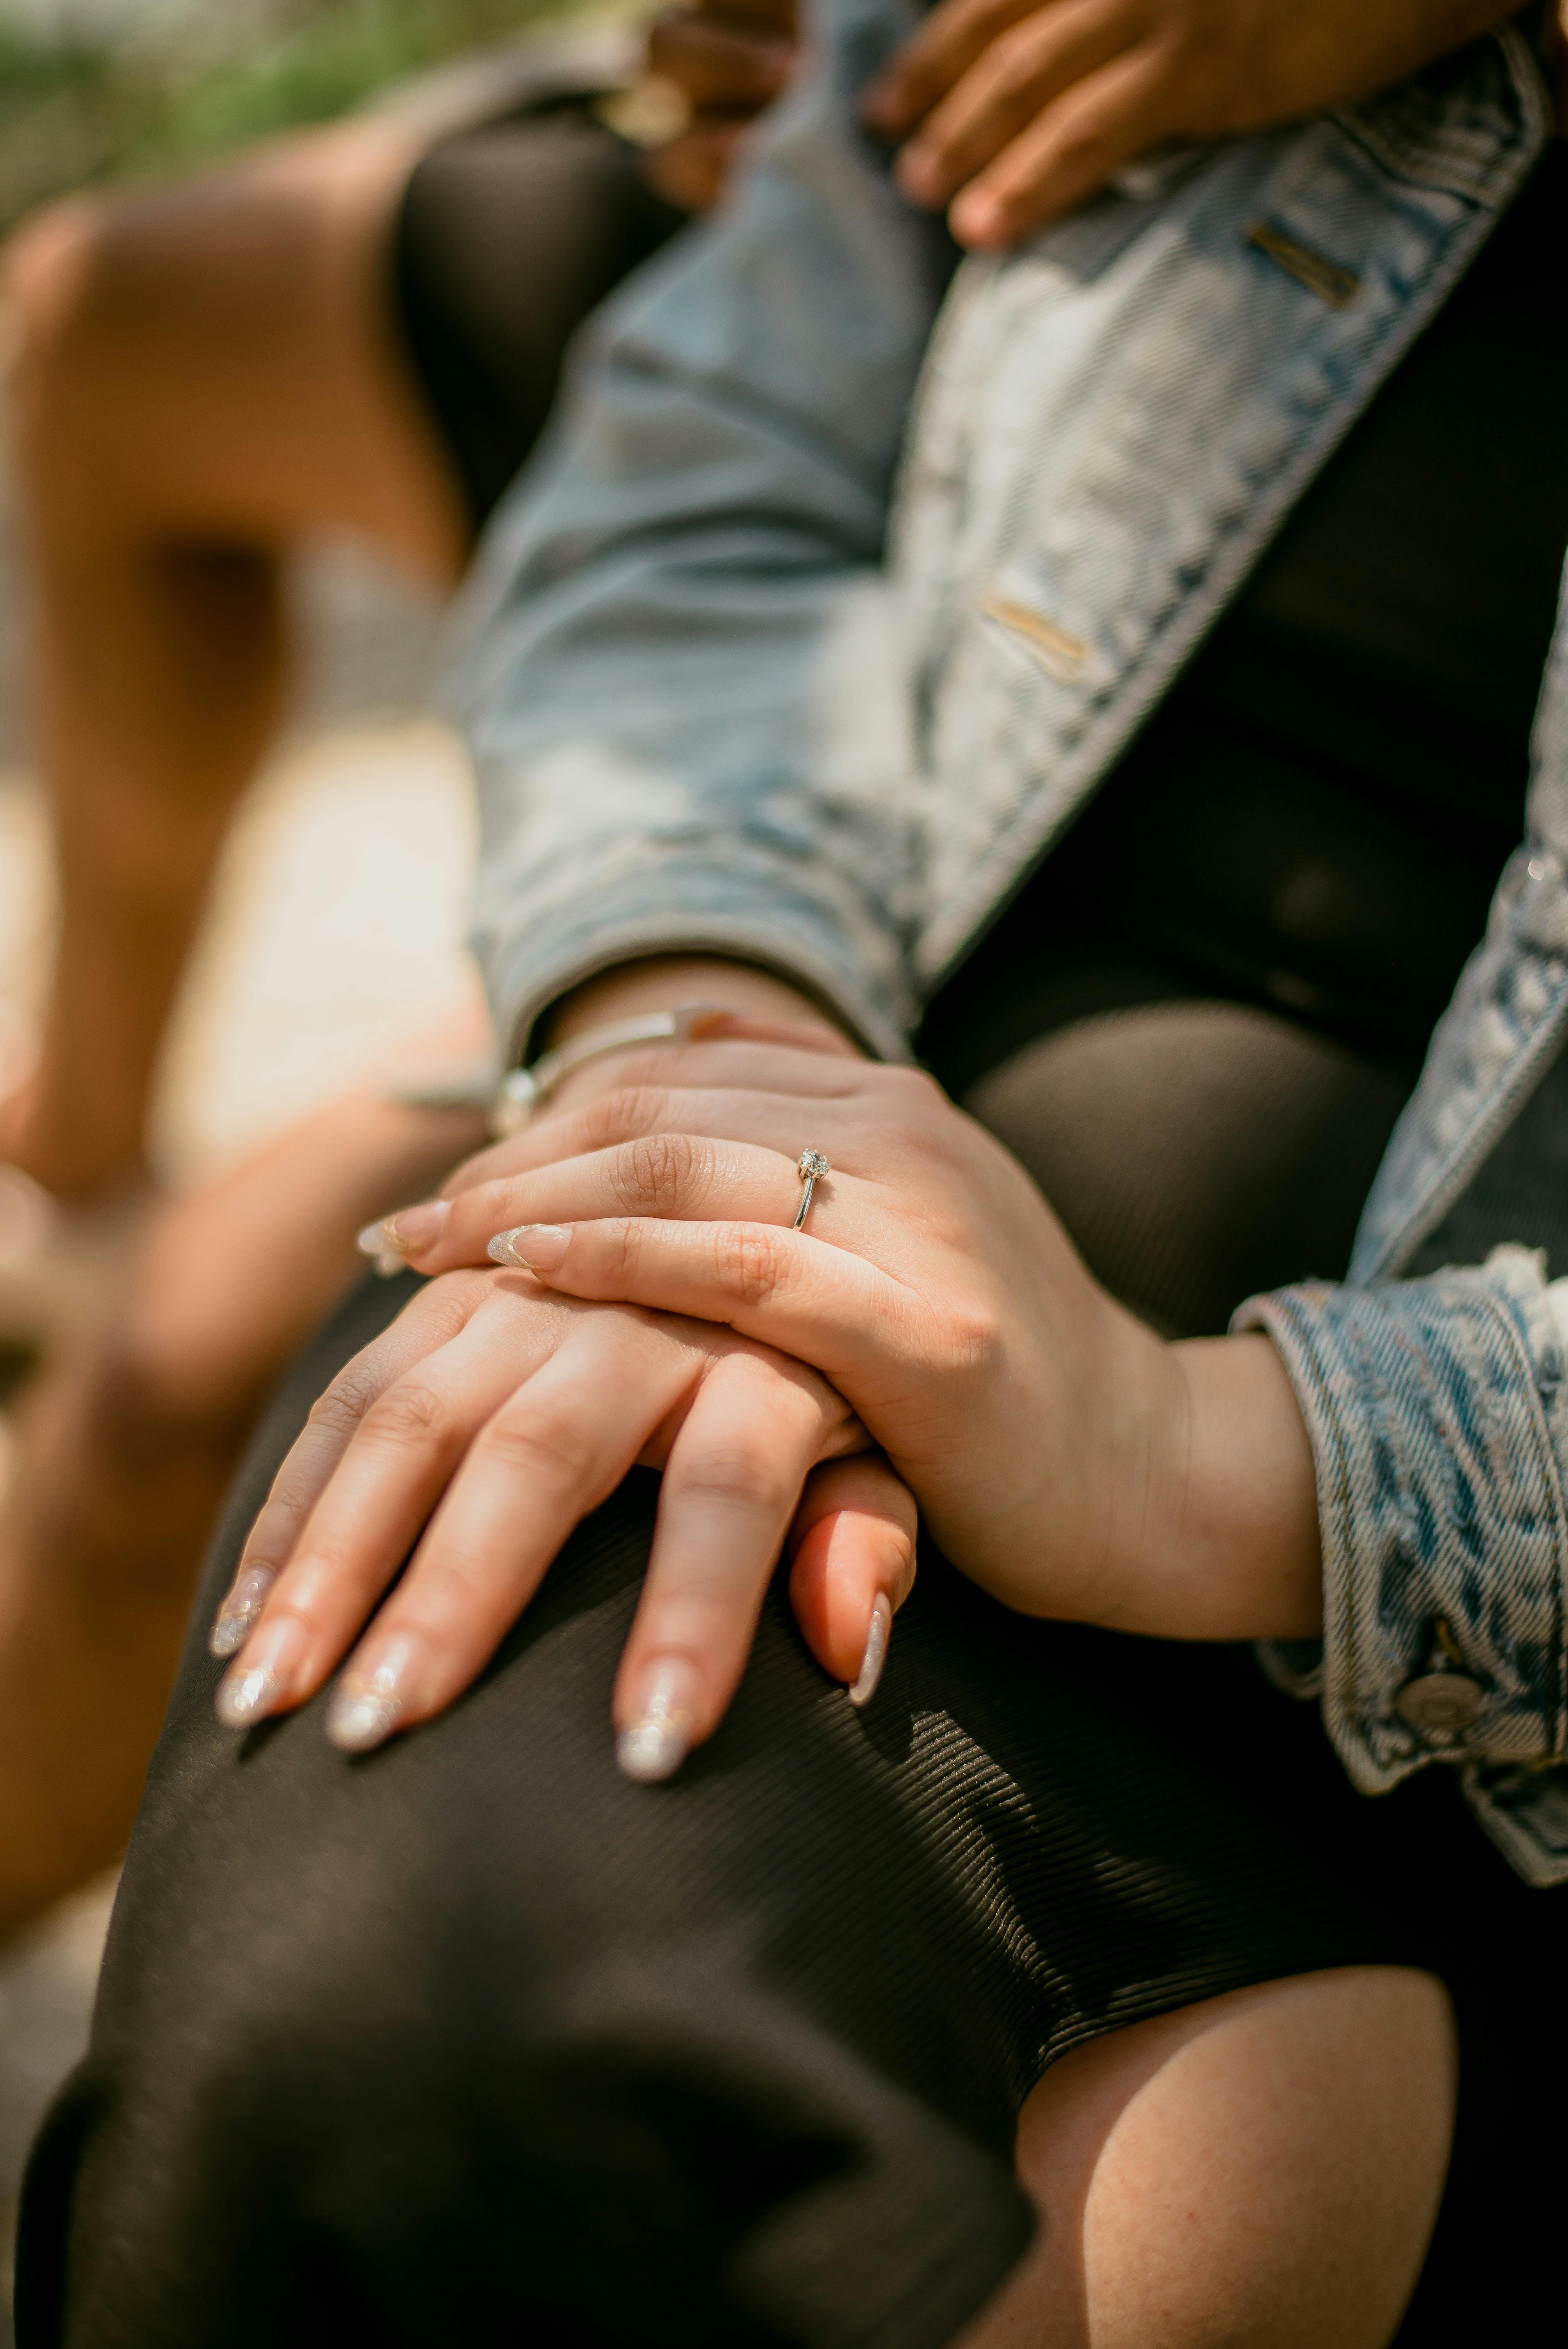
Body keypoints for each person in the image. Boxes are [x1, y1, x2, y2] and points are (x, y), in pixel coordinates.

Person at [18, 0, 1562, 2342]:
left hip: (1424, 1589)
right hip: (919, 994)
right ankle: (82, 1160)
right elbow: (715, 492)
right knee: (369, 1953)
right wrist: (695, 1044)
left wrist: (1222, 1456)